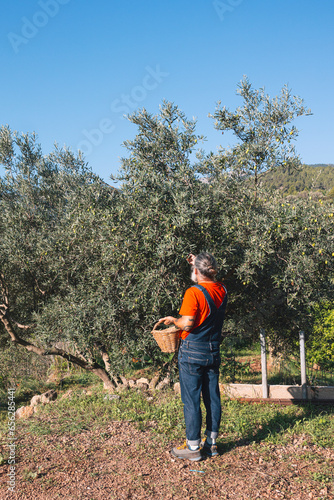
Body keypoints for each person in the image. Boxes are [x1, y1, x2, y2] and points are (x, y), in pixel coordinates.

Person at [158, 252, 227, 461]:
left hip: (192, 351)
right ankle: (211, 445)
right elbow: (209, 278)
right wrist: (198, 261)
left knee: (191, 399)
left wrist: (173, 320)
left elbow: (187, 323)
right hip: (212, 350)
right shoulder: (223, 290)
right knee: (212, 397)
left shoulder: (193, 292)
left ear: (197, 271)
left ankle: (193, 447)